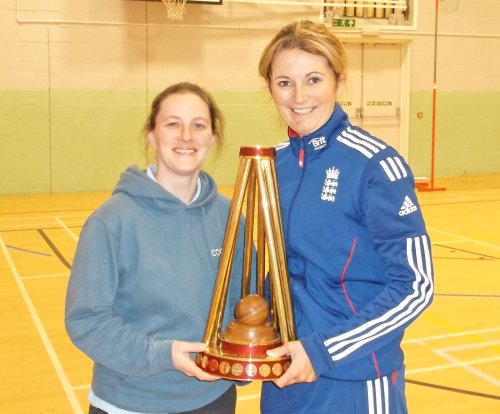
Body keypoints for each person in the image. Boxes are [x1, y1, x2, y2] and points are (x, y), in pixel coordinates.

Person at [258, 20, 434, 413]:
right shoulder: (272, 165)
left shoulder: (375, 165)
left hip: (355, 380)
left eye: (313, 79)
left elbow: (416, 286)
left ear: (339, 80)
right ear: (269, 87)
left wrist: (323, 351)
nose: (299, 96)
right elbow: (277, 272)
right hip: (285, 374)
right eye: (284, 82)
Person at [65, 82, 246, 414]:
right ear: (152, 135)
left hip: (215, 397)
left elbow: (243, 305)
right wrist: (162, 354)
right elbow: (86, 321)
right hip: (132, 401)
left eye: (199, 125)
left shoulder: (230, 218)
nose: (186, 136)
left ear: (212, 137)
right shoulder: (112, 221)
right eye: (172, 124)